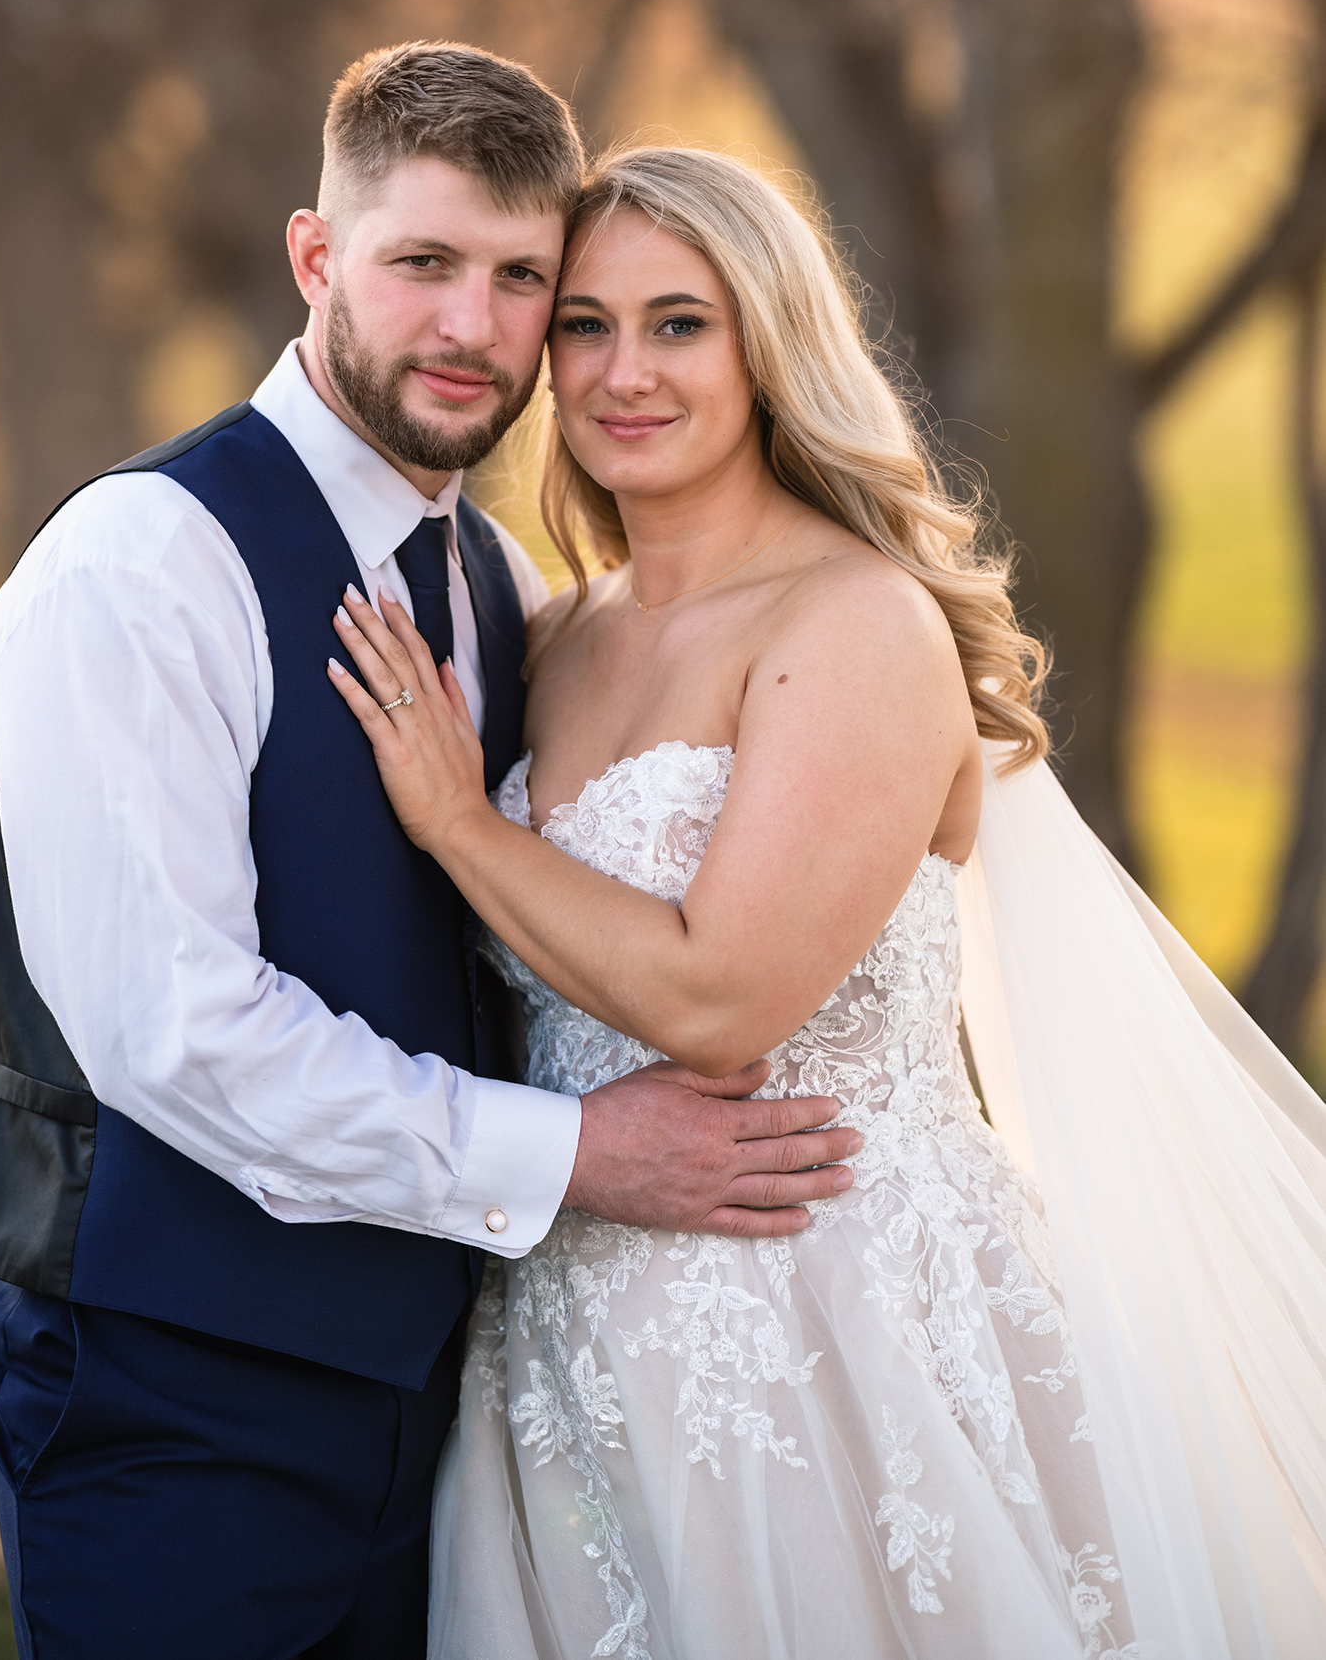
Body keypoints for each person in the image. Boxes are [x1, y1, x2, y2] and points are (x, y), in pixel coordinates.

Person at [331, 144, 1326, 1660]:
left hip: (839, 1335)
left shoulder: (854, 621)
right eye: (586, 323)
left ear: (771, 345)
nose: (621, 373)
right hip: (575, 1337)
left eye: (682, 323)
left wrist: (461, 823)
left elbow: (719, 998)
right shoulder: (564, 630)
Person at [0, 57, 861, 1660]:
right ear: (318, 259)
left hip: (444, 1417)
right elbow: (171, 1024)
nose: (474, 327)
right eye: (422, 263)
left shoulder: (504, 582)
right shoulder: (141, 565)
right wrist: (571, 1154)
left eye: (525, 279)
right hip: (180, 1406)